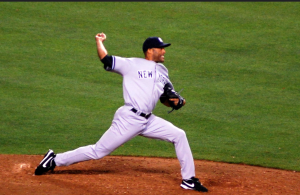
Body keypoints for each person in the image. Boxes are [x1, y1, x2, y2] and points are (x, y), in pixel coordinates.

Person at [34, 32, 208, 193]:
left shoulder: (163, 71)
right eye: (161, 48)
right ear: (150, 50)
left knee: (179, 135)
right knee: (98, 151)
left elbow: (165, 97)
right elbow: (106, 59)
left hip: (149, 120)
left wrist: (176, 102)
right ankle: (54, 160)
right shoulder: (131, 64)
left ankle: (189, 179)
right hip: (129, 119)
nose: (164, 51)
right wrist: (99, 41)